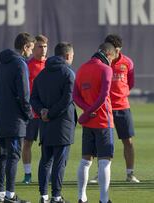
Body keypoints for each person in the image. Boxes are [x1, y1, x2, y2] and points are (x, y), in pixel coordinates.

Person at [31, 42, 76, 203]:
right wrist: (51, 113)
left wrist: (42, 111)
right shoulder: (68, 74)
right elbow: (67, 100)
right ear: (68, 56)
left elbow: (33, 98)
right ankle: (56, 196)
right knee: (59, 162)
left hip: (45, 124)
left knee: (45, 161)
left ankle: (43, 196)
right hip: (62, 124)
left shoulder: (42, 74)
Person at [0, 32, 35, 203]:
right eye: (31, 48)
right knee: (13, 156)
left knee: (3, 155)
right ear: (25, 47)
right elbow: (24, 94)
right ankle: (10, 195)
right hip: (15, 119)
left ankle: (1, 194)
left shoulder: (3, 63)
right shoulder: (20, 64)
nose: (31, 53)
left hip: (1, 116)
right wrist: (28, 113)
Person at [74, 43, 116, 203]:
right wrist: (92, 110)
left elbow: (75, 96)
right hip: (103, 120)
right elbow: (104, 95)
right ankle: (104, 200)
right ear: (108, 54)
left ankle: (81, 197)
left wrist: (86, 111)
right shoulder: (106, 69)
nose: (111, 62)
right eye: (112, 58)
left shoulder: (82, 68)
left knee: (85, 160)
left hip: (88, 121)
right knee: (105, 161)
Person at [105, 34, 139, 182]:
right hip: (105, 107)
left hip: (123, 106)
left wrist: (121, 94)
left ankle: (130, 174)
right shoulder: (103, 62)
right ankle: (101, 172)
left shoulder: (128, 62)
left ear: (120, 49)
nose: (114, 53)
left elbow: (130, 83)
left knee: (128, 141)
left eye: (117, 50)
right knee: (104, 142)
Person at [22, 34, 48, 184]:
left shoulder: (50, 65)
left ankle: (46, 173)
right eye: (40, 46)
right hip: (31, 112)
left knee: (47, 144)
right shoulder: (27, 65)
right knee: (27, 143)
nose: (43, 49)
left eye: (45, 46)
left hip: (46, 113)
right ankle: (27, 174)